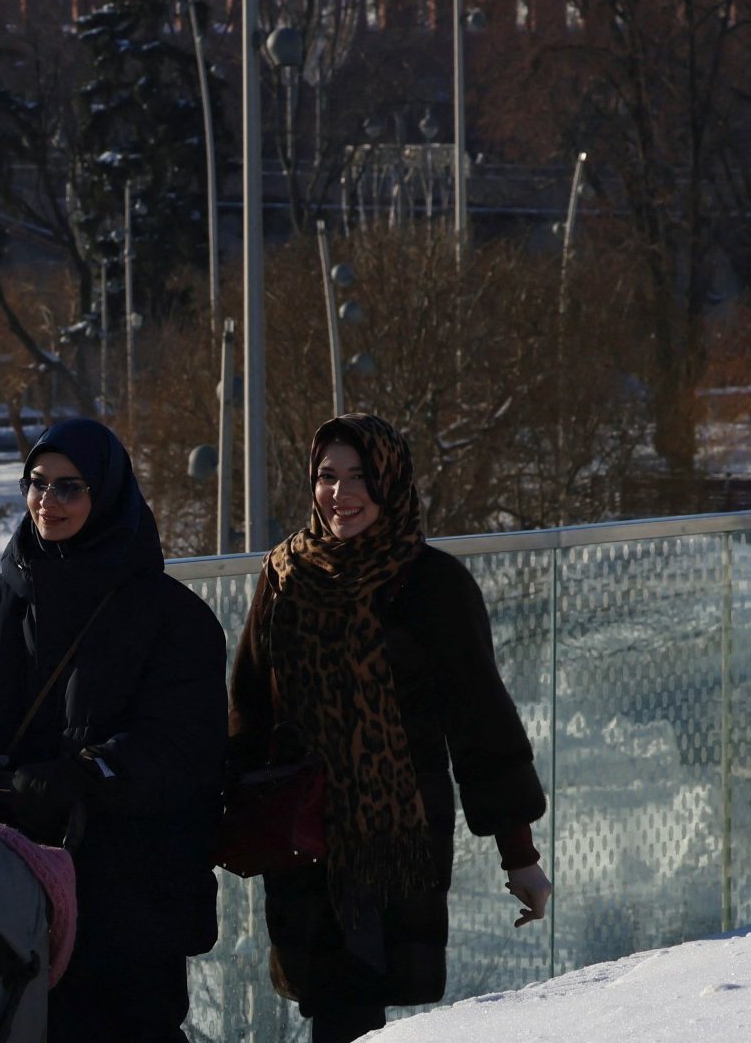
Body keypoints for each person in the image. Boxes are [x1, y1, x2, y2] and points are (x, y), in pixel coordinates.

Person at [226, 414, 551, 1043]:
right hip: (301, 833)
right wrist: (229, 812)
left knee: (353, 1001)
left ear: (391, 483)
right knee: (332, 1004)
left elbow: (481, 724)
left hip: (395, 841)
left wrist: (520, 856)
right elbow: (249, 707)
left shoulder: (431, 584)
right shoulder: (284, 574)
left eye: (359, 477)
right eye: (327, 476)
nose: (340, 494)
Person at [0, 417, 229, 1040]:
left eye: (70, 487)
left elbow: (182, 744)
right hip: (9, 889)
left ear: (107, 494)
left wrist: (85, 777)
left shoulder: (171, 617)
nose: (48, 501)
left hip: (129, 899)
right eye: (37, 483)